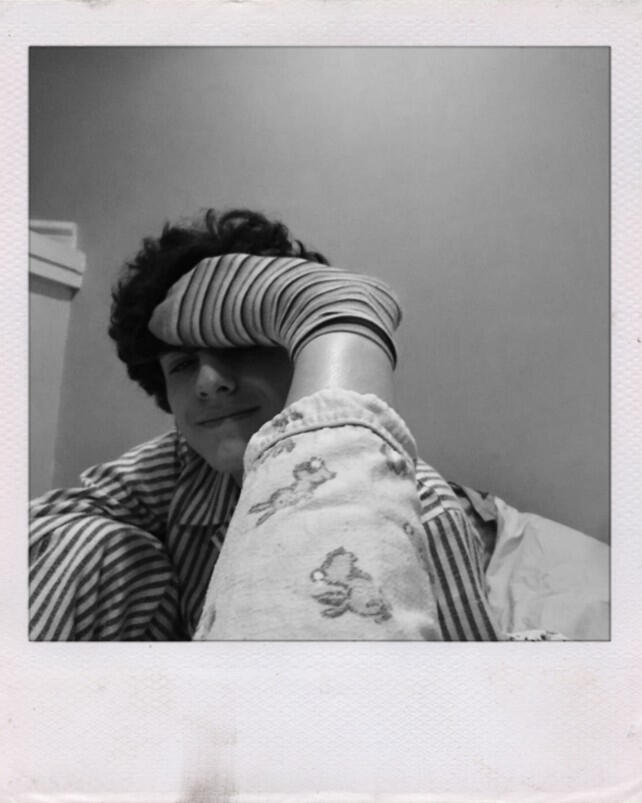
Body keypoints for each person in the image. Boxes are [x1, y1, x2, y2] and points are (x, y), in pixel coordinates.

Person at [29, 209, 608, 641]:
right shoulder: (182, 464)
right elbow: (45, 529)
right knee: (89, 541)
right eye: (182, 366)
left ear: (301, 356)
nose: (207, 382)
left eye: (238, 350)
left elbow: (462, 685)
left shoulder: (424, 515)